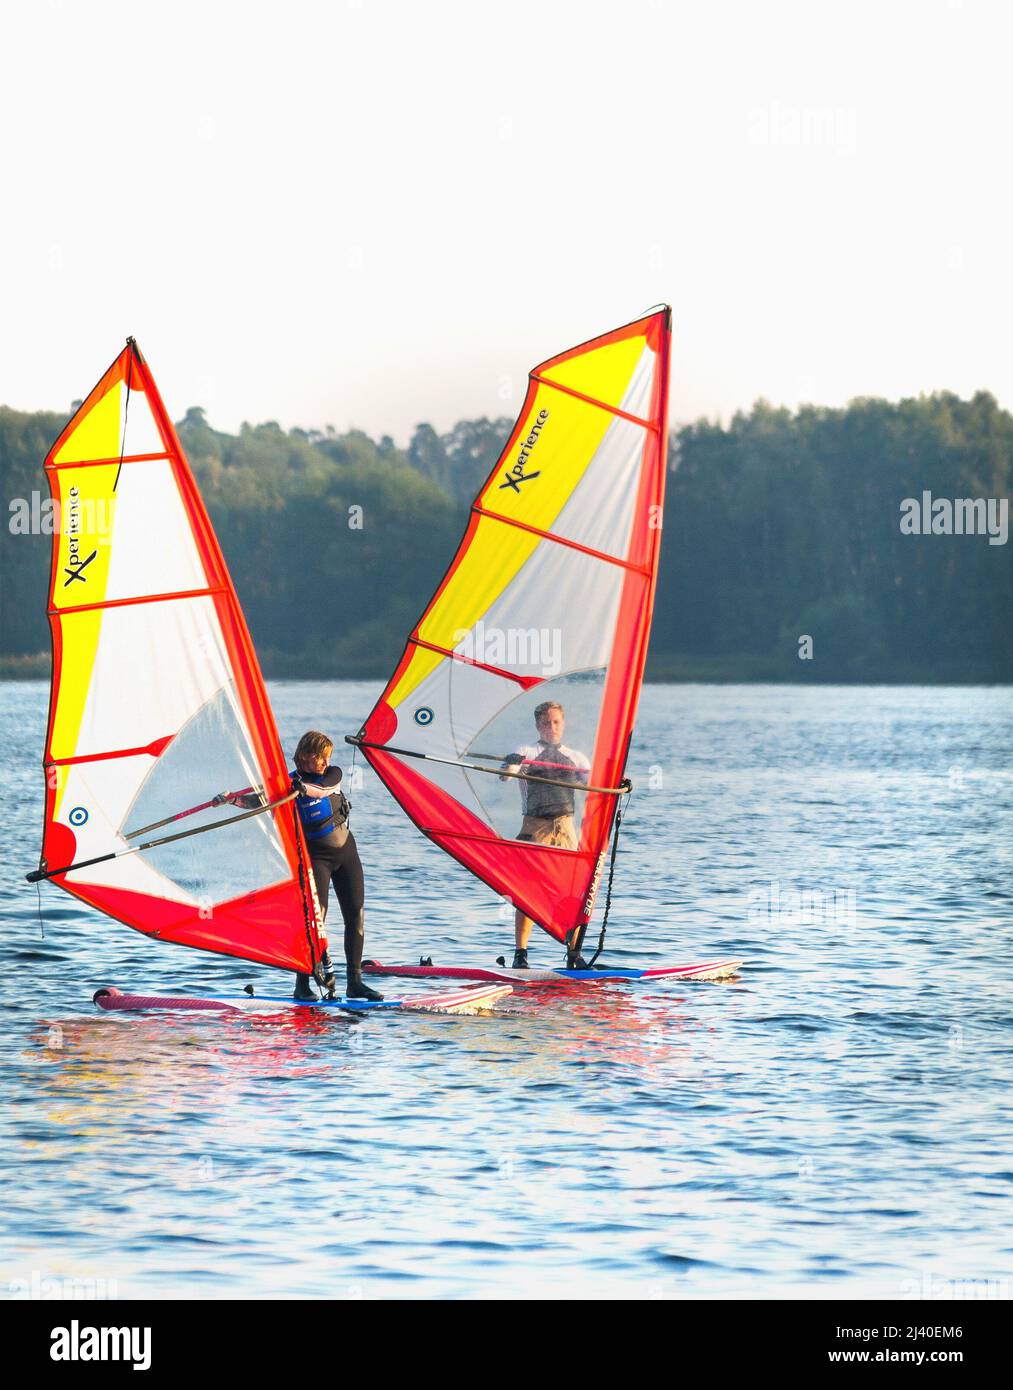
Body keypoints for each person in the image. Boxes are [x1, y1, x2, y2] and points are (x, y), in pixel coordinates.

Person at [220, 731, 382, 1002]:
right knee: (314, 922)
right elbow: (260, 800)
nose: (324, 762)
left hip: (346, 855)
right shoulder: (287, 782)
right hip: (314, 859)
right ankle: (302, 985)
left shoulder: (333, 774)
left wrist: (301, 788)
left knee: (356, 915)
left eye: (326, 758)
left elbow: (322, 789)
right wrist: (231, 799)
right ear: (306, 756)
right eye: (320, 758)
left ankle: (355, 982)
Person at [499, 700, 591, 969]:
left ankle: (574, 954)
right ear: (537, 725)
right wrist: (512, 765)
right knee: (527, 889)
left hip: (566, 829)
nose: (551, 727)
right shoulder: (525, 750)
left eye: (556, 722)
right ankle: (521, 954)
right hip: (534, 827)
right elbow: (506, 776)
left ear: (563, 724)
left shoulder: (576, 758)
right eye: (545, 722)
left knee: (573, 891)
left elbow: (594, 785)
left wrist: (617, 783)